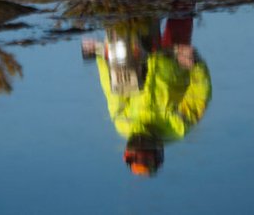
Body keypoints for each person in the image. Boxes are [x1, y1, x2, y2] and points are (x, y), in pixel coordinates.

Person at [82, 15, 211, 177]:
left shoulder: (123, 124)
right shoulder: (178, 127)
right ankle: (182, 1)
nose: (141, 150)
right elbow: (199, 95)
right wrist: (196, 64)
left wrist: (100, 56)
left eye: (137, 155)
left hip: (139, 59)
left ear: (127, 155)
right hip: (174, 59)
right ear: (158, 154)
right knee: (181, 15)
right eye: (146, 156)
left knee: (125, 24)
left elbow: (111, 87)